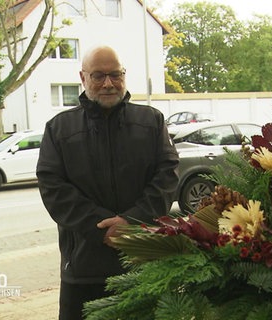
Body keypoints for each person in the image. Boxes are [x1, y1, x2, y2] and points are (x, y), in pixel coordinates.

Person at [37, 45, 179, 320]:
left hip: (142, 259)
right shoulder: (59, 128)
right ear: (83, 78)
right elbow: (53, 188)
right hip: (83, 267)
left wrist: (132, 221)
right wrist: (100, 227)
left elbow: (167, 175)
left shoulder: (151, 121)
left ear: (124, 75)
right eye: (98, 76)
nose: (108, 84)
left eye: (115, 75)